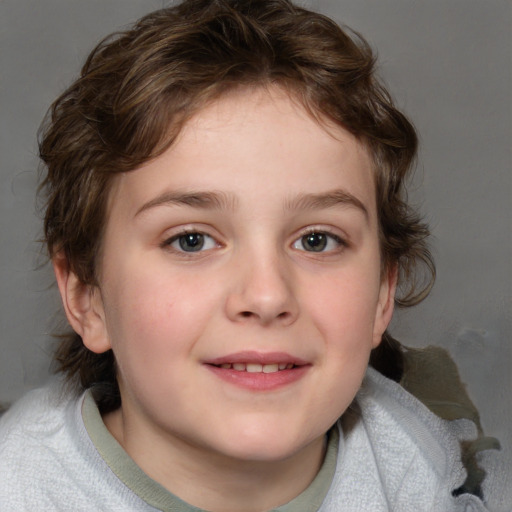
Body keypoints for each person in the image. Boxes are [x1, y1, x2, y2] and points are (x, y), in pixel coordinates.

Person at [0, 0, 504, 510]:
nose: (266, 296)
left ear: (381, 295)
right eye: (191, 240)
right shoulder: (21, 489)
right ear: (87, 297)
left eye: (317, 240)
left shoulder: (419, 467)